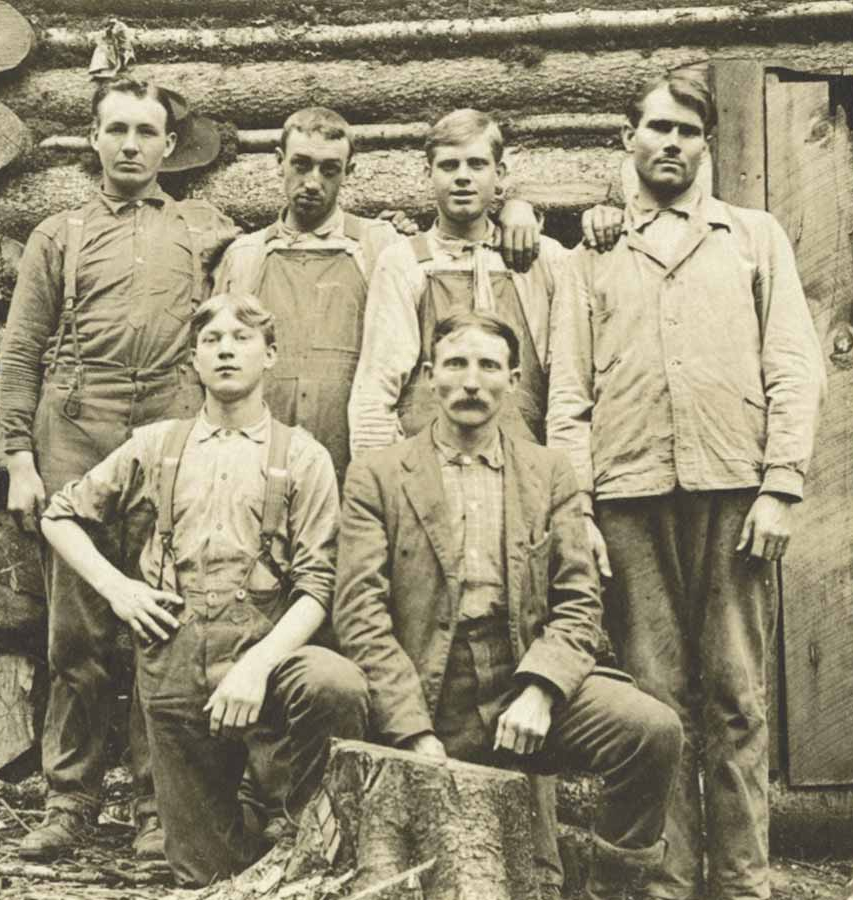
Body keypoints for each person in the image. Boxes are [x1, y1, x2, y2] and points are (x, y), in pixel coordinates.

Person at [572, 73, 826, 900]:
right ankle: (668, 884)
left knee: (737, 697)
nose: (671, 143)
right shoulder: (593, 251)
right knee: (656, 705)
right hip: (627, 498)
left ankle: (744, 882)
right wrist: (577, 509)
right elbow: (568, 397)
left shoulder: (751, 237)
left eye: (688, 129)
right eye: (656, 127)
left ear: (706, 142)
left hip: (733, 492)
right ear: (627, 138)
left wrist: (781, 483)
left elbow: (793, 363)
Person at [335, 310, 683, 900]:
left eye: (489, 366)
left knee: (652, 731)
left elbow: (578, 602)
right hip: (429, 684)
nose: (472, 382)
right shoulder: (378, 475)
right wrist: (413, 731)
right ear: (428, 375)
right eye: (456, 364)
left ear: (514, 379)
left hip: (522, 672)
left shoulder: (548, 471)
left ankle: (614, 888)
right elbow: (360, 614)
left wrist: (542, 689)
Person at [40, 292, 369, 887]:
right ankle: (244, 818)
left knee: (334, 682)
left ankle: (295, 822)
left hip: (267, 657)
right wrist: (120, 590)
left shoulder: (304, 456)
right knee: (201, 871)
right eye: (211, 342)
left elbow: (318, 586)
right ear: (193, 360)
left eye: (241, 340)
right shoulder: (156, 445)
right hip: (175, 663)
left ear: (270, 356)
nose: (225, 352)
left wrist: (257, 667)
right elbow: (58, 516)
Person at [344, 106, 590, 891]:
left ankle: (542, 861)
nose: (461, 178)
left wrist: (575, 510)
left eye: (477, 165)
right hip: (427, 500)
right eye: (447, 165)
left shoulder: (544, 258)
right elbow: (374, 393)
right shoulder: (404, 262)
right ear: (428, 174)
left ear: (500, 174)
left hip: (525, 498)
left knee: (526, 646)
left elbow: (570, 393)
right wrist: (380, 498)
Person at [0, 76, 240, 860]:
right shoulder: (58, 234)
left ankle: (155, 802)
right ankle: (68, 801)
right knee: (77, 630)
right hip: (75, 428)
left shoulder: (205, 234)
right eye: (118, 130)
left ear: (170, 147)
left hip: (167, 434)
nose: (131, 145)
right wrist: (18, 458)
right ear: (94, 140)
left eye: (147, 132)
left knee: (160, 618)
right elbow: (21, 348)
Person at [215, 106, 545, 484]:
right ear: (279, 162)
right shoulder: (245, 255)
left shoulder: (379, 244)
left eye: (329, 169)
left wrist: (518, 207)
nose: (311, 182)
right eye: (301, 165)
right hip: (261, 448)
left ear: (349, 171)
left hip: (356, 446)